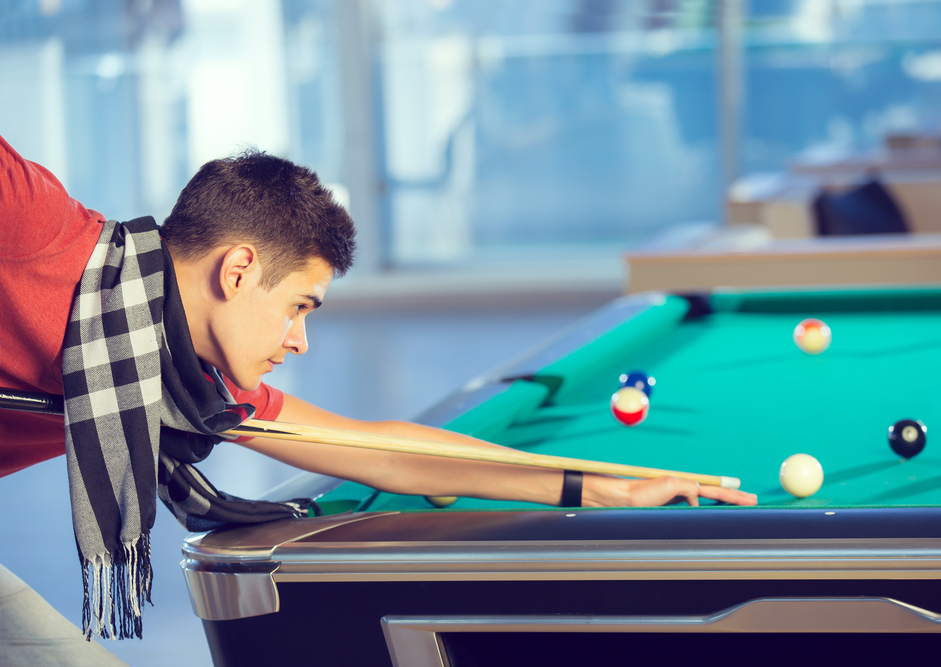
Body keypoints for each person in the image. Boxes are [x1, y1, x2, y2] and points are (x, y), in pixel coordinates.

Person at [0, 134, 756, 665]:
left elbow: (389, 449)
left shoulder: (192, 383)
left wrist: (598, 484)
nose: (299, 340)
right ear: (237, 270)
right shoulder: (33, 221)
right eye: (299, 304)